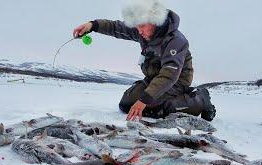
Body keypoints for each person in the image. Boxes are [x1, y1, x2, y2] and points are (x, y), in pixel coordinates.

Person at [73, 0, 216, 121]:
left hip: (177, 81)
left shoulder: (176, 41)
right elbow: (116, 27)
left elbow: (169, 75)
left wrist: (144, 100)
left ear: (155, 21)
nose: (139, 30)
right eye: (136, 25)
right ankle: (151, 94)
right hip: (154, 78)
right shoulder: (144, 32)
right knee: (126, 104)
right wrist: (92, 25)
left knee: (156, 110)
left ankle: (199, 100)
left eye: (141, 25)